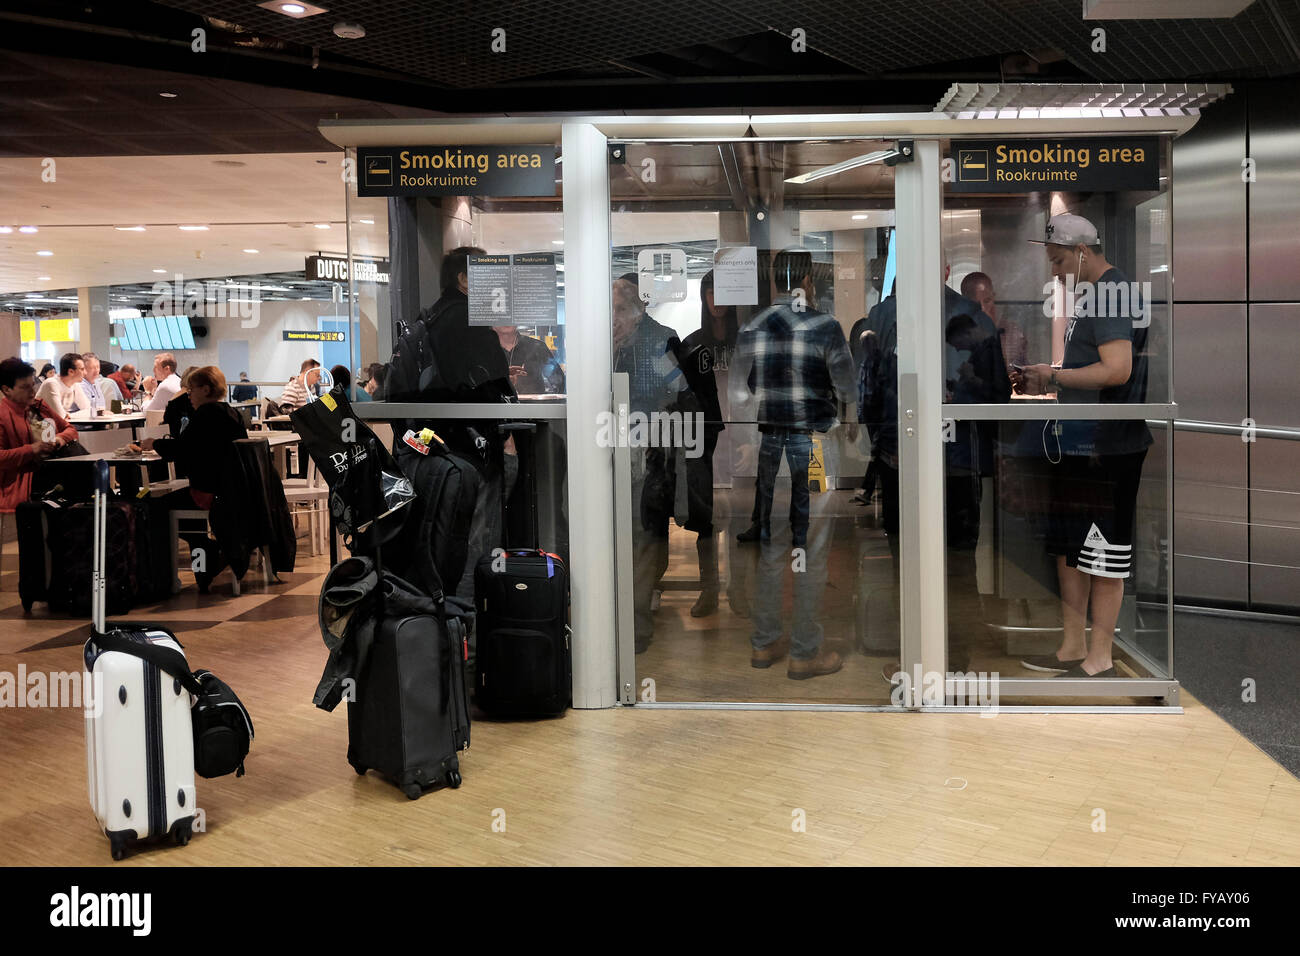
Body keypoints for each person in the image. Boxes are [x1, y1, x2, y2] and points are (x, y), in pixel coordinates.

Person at [1013, 214, 1152, 679]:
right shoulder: (1094, 296)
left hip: (1106, 443)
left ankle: (1099, 659)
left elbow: (1117, 370)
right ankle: (1073, 648)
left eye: (1057, 260)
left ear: (1082, 252)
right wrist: (1051, 378)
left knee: (1102, 551)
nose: (1054, 271)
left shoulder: (1112, 294)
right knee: (1071, 547)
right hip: (1083, 438)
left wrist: (1053, 375)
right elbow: (1091, 368)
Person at [864, 256, 1009, 679]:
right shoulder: (968, 315)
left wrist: (880, 443)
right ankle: (954, 659)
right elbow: (997, 395)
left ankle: (912, 655)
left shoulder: (886, 314)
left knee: (905, 558)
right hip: (954, 459)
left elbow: (868, 389)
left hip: (904, 458)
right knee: (959, 561)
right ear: (946, 271)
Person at [730, 249, 857, 679]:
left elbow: (740, 396)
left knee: (771, 547)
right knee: (812, 550)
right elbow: (846, 387)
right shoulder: (825, 326)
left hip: (772, 451)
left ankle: (763, 645)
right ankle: (805, 651)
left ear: (773, 280)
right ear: (807, 281)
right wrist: (850, 421)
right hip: (815, 447)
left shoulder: (752, 327)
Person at [613, 274, 691, 654]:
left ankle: (636, 623)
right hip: (606, 447)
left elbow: (676, 389)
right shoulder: (601, 341)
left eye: (619, 311)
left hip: (648, 449)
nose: (612, 319)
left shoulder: (658, 339)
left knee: (644, 535)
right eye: (608, 311)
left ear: (638, 310)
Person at [133, 366, 249, 592]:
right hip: (231, 491)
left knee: (154, 507)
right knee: (185, 517)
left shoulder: (206, 415)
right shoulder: (230, 413)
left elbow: (185, 448)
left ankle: (164, 579)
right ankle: (206, 561)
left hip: (211, 494)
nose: (188, 394)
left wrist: (154, 444)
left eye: (191, 389)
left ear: (205, 389)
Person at [675, 269, 736, 617]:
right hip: (705, 439)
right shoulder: (692, 343)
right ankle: (708, 590)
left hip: (743, 437)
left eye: (724, 292)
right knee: (705, 521)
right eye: (711, 292)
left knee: (740, 519)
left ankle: (741, 591)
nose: (717, 300)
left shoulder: (745, 339)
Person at [0, 358, 79, 511]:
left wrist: (59, 439)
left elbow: (70, 429)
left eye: (33, 385)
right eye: (24, 387)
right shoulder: (3, 416)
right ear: (6, 389)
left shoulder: (39, 406)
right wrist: (32, 449)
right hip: (24, 487)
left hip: (52, 476)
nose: (32, 391)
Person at [961, 271, 1028, 372]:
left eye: (987, 301)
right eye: (976, 304)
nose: (983, 308)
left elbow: (1023, 373)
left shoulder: (1013, 334)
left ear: (994, 298)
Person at [492, 325, 564, 395]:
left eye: (510, 315)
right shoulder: (483, 349)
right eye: (502, 316)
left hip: (533, 405)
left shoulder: (537, 346)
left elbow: (559, 382)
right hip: (493, 405)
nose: (506, 320)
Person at [35, 352, 86, 420]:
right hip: (42, 427)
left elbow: (87, 409)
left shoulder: (75, 384)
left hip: (57, 426)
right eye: (82, 369)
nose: (85, 373)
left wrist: (68, 415)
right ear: (71, 372)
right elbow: (60, 416)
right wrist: (66, 415)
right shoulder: (51, 384)